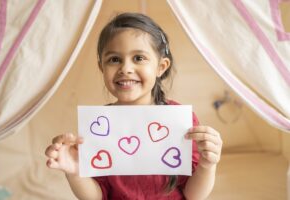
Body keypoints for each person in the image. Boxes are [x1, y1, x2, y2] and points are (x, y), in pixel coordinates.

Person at [45, 12, 222, 200]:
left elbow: (193, 195)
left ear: (161, 67)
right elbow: (97, 197)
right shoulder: (100, 126)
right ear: (101, 67)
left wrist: (207, 165)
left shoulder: (180, 120)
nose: (125, 68)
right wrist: (75, 172)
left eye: (138, 58)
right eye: (114, 59)